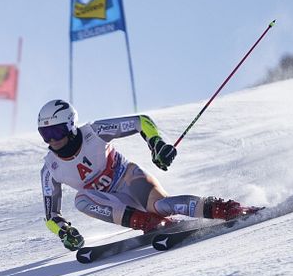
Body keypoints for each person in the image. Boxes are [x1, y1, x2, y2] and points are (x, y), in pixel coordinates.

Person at [38, 99, 253, 251]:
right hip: (114, 202)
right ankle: (149, 223)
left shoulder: (94, 131)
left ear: (71, 126)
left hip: (130, 180)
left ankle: (226, 208)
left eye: (57, 132)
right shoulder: (50, 169)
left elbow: (141, 121)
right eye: (46, 134)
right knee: (81, 200)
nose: (52, 140)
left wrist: (156, 145)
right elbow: (51, 216)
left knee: (160, 206)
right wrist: (64, 232)